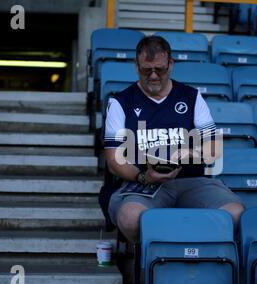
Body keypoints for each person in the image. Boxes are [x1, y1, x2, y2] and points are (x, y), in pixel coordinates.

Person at [104, 35, 245, 243]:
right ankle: (148, 264)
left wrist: (194, 153)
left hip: (191, 180)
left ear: (171, 64)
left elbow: (215, 147)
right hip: (143, 184)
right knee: (130, 217)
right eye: (146, 70)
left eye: (159, 69)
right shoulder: (120, 102)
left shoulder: (191, 96)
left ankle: (192, 255)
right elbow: (114, 161)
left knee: (234, 213)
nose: (153, 76)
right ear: (136, 66)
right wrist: (144, 177)